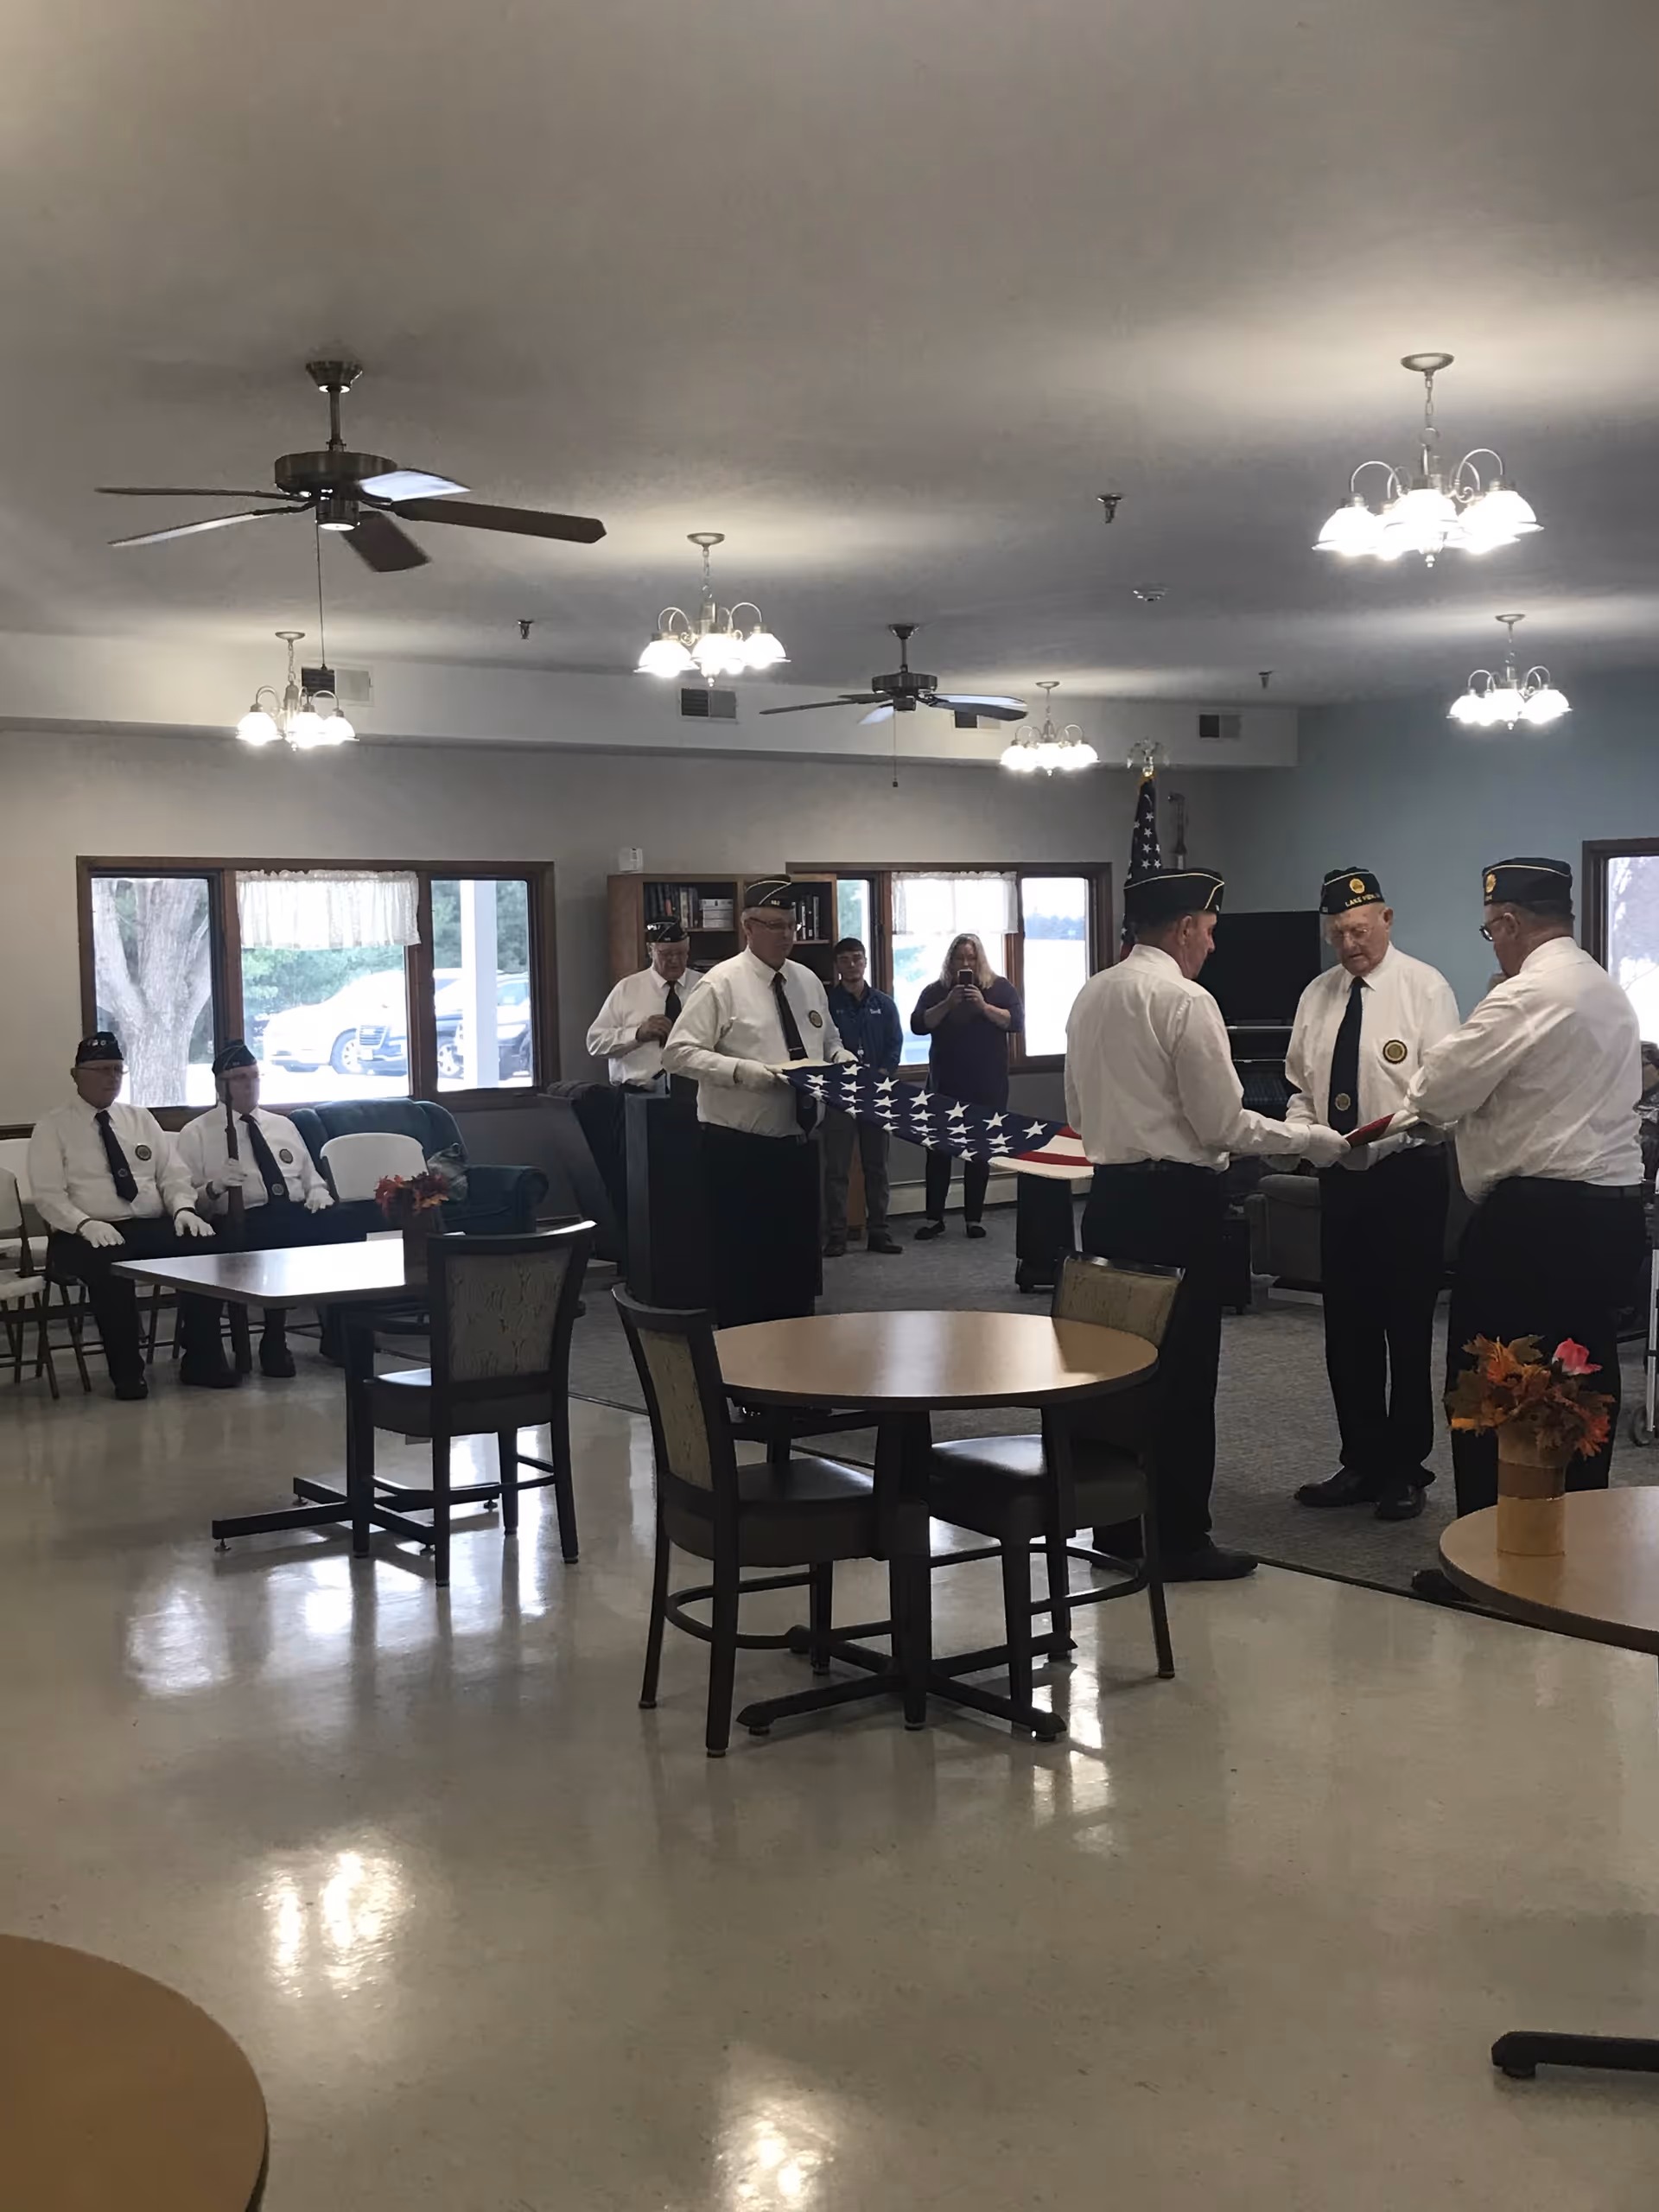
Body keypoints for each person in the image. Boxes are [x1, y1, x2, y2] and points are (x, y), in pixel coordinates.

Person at [1064, 868, 1349, 1580]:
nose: (1214, 946)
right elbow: (1222, 1124)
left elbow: (1075, 1114)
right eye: (1211, 931)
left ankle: (1118, 1529)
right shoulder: (1185, 999)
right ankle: (1180, 1538)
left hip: (1109, 1202)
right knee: (1183, 1378)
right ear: (1187, 927)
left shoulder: (1092, 992)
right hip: (1175, 1206)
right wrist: (1309, 1140)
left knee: (1115, 1372)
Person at [1382, 858, 1647, 1605]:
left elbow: (1435, 1089)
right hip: (1610, 1212)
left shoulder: (1526, 994)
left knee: (1489, 1387)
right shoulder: (1605, 988)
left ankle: (1486, 1565)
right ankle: (1580, 1551)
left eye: (1490, 930)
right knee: (1581, 1384)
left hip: (1536, 1218)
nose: (1491, 945)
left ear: (1508, 923)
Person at [1284, 868, 1460, 1522]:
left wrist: (1380, 1139)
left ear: (1387, 920)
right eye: (1337, 934)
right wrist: (1306, 1131)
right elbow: (1300, 1081)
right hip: (1341, 1176)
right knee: (1347, 1325)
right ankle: (1359, 1459)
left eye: (1360, 930)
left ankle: (1406, 1469)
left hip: (1406, 1176)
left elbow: (1437, 1090)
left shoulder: (1425, 988)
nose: (1349, 944)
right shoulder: (1319, 994)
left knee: (1406, 1326)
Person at [663, 879, 855, 1326]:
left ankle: (796, 1369)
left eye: (791, 924)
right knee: (743, 1271)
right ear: (748, 927)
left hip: (799, 1144)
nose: (786, 935)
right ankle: (742, 1373)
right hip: (738, 1149)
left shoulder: (806, 980)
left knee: (795, 1270)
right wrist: (741, 1072)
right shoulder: (721, 984)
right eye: (774, 925)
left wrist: (840, 1057)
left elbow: (827, 1038)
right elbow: (677, 1053)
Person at [27, 1031, 225, 1399]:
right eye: (101, 1069)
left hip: (147, 1224)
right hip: (81, 1234)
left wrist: (183, 1208)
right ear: (76, 1075)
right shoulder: (53, 1126)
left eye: (118, 1069)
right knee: (110, 1267)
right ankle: (127, 1373)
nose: (111, 1078)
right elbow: (49, 1196)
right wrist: (84, 1223)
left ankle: (202, 1359)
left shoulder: (140, 1119)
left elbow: (172, 1174)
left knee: (206, 1251)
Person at [175, 1039, 351, 1379]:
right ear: (219, 1085)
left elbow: (311, 1176)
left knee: (346, 1227)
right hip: (239, 1221)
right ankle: (274, 1339)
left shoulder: (282, 1125)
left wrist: (318, 1193)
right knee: (272, 1232)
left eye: (254, 1076)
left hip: (294, 1212)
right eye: (239, 1077)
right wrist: (215, 1187)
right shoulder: (196, 1133)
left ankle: (341, 1339)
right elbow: (188, 1202)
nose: (249, 1084)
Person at [909, 932, 1023, 1240]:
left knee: (979, 1152)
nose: (966, 963)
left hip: (987, 1085)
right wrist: (949, 1003)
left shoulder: (999, 987)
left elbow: (1016, 1021)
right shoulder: (936, 991)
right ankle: (935, 1218)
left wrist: (984, 1007)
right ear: (951, 961)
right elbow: (918, 1025)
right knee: (938, 1153)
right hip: (944, 1084)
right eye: (960, 958)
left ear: (980, 959)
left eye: (971, 958)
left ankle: (974, 1218)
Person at [823, 936, 903, 1258]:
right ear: (838, 966)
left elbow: (895, 1045)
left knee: (877, 1167)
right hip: (839, 1095)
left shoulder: (883, 1004)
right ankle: (837, 1235)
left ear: (866, 962)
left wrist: (884, 1073)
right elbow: (821, 1045)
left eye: (857, 958)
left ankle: (879, 1232)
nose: (852, 965)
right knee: (837, 1168)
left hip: (876, 1094)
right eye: (845, 960)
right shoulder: (828, 1004)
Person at [585, 919, 702, 1089]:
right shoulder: (627, 989)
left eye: (681, 953)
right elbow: (595, 1043)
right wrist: (637, 1034)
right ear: (650, 950)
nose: (675, 961)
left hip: (696, 1096)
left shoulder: (705, 986)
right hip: (639, 1097)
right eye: (666, 954)